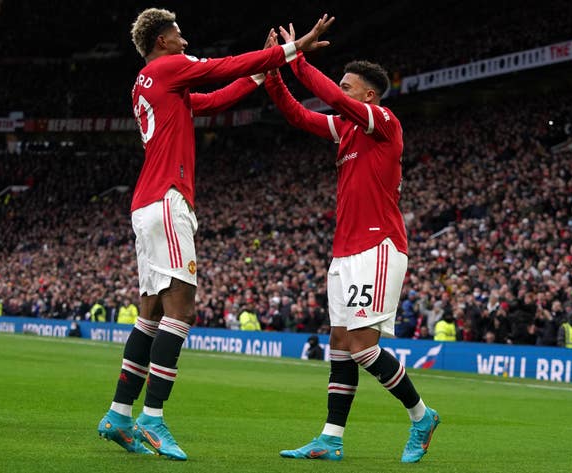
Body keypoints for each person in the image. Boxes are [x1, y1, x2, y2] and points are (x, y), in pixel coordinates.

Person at [97, 7, 336, 460]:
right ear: (162, 40)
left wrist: (266, 73)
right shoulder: (168, 67)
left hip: (146, 205)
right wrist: (293, 50)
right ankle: (153, 419)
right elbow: (225, 68)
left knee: (149, 312)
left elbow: (215, 99)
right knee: (180, 311)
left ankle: (118, 414)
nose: (185, 43)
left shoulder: (149, 84)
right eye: (179, 35)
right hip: (168, 199)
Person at [263, 22, 439, 463]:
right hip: (344, 252)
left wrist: (295, 56)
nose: (339, 91)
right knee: (341, 342)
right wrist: (273, 71)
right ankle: (331, 438)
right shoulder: (346, 131)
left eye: (347, 86)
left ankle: (421, 416)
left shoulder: (385, 123)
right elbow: (297, 115)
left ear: (368, 96)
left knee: (361, 344)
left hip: (378, 247)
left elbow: (333, 99)